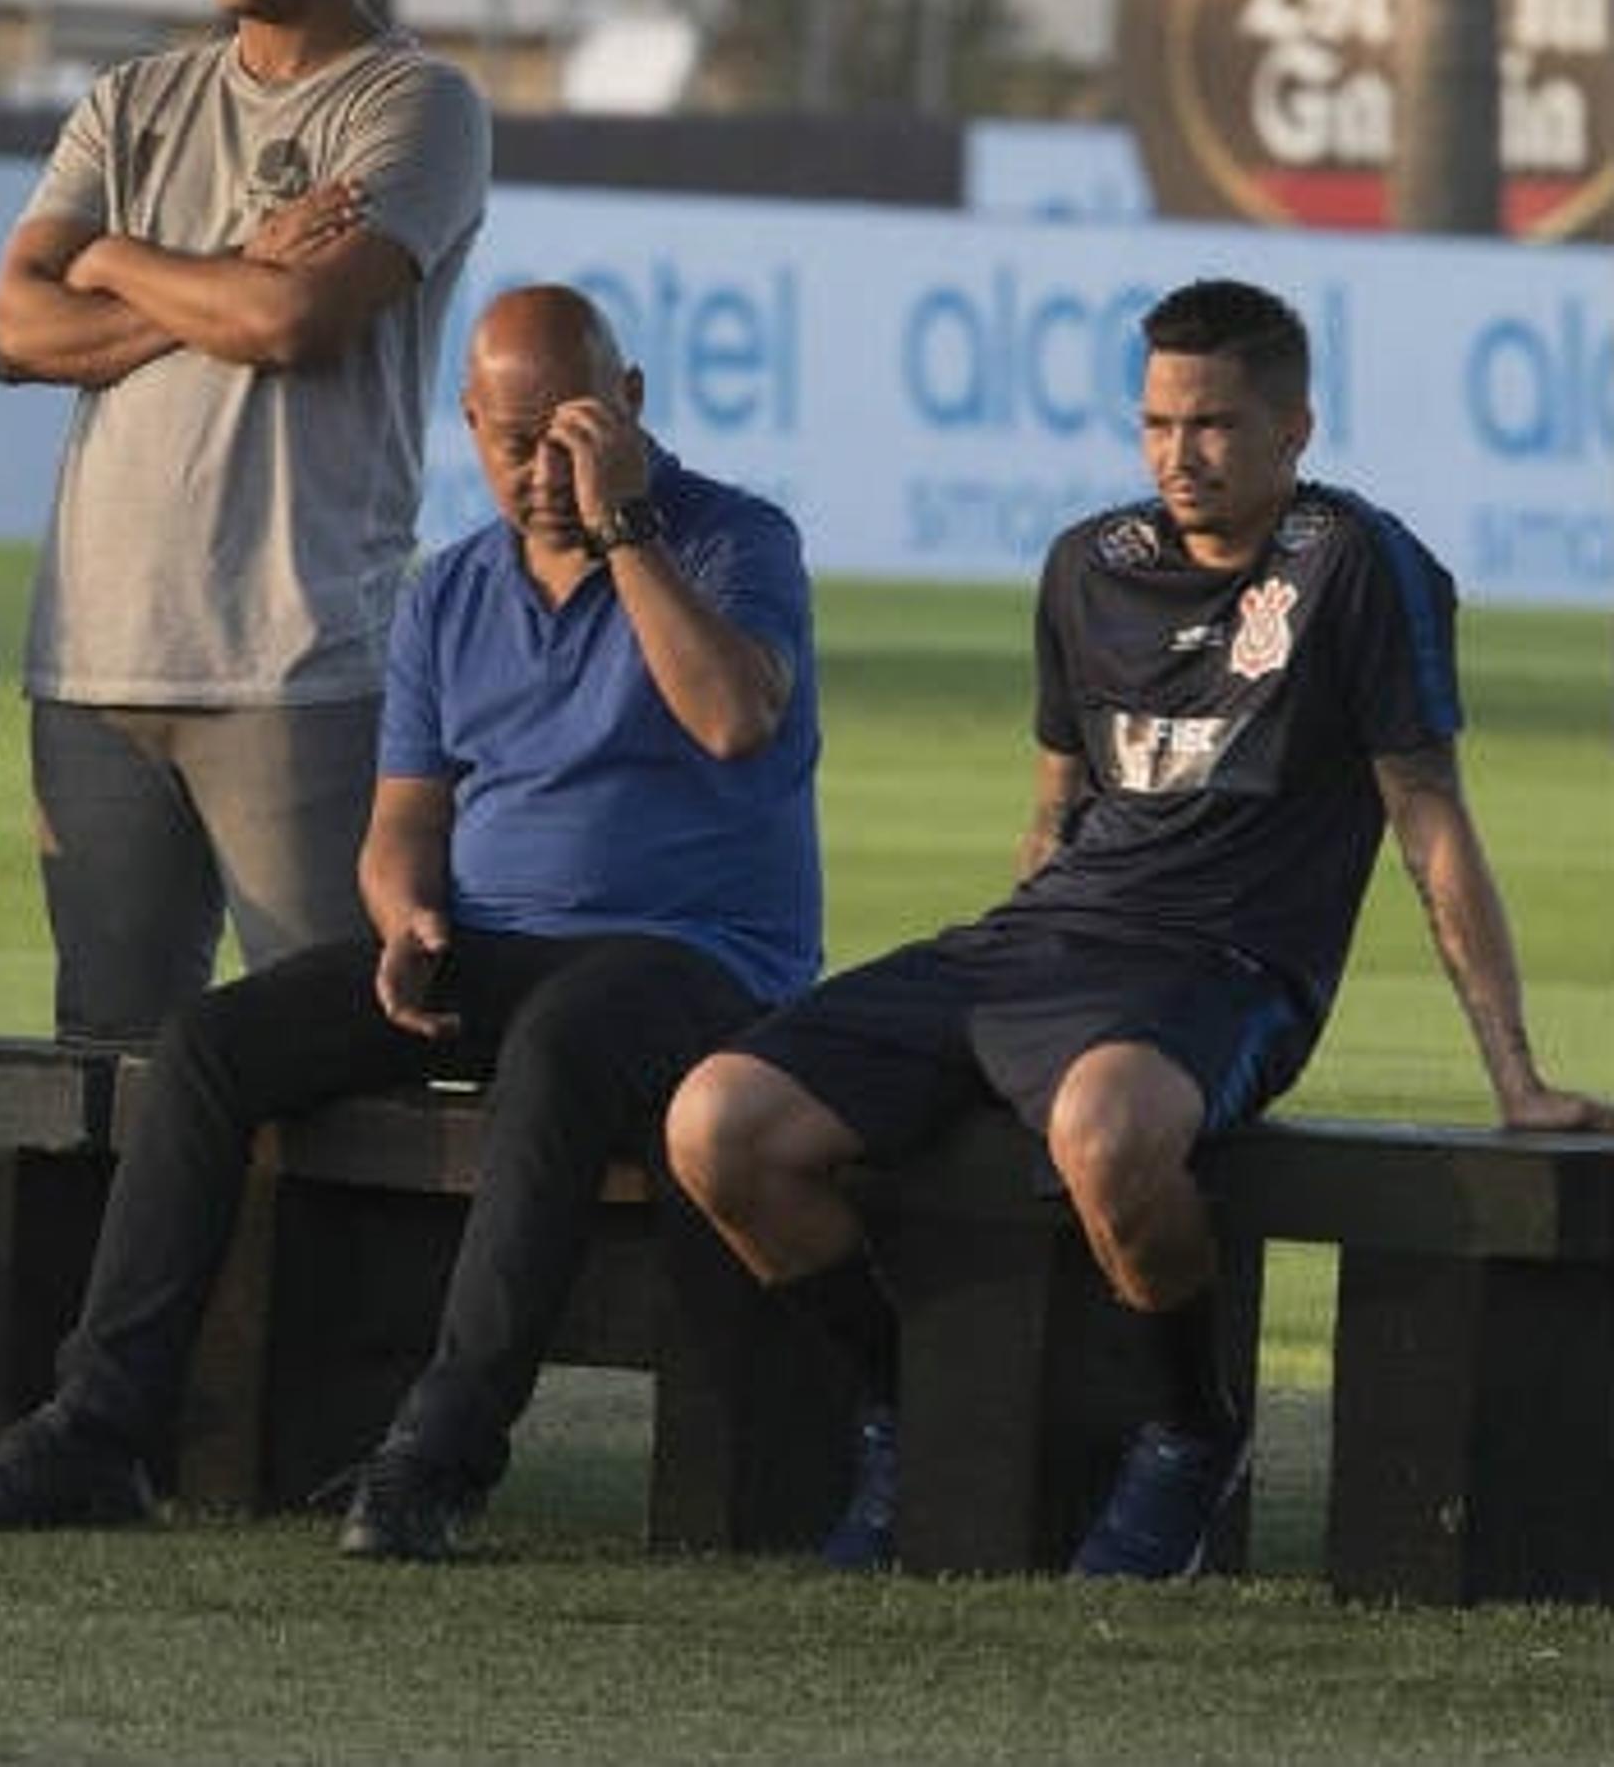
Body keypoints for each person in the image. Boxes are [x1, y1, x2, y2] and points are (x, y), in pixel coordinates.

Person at [666, 277, 1614, 1582]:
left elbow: (1428, 813)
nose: (1181, 453)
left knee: (1105, 1133)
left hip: (1222, 968)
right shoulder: (1084, 564)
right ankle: (904, 1415)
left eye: (1216, 425)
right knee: (720, 1127)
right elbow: (1057, 805)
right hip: (1037, 947)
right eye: (1159, 422)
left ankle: (1189, 1434)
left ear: (1295, 430)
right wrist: (1002, 981)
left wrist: (1513, 1070)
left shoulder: (1358, 567)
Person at [0, 284, 817, 1551]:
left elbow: (732, 715)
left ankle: (437, 1457)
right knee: (212, 1046)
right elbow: (405, 824)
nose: (539, 471)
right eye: (510, 442)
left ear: (628, 407)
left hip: (697, 957)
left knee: (559, 1045)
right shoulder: (451, 591)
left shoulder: (732, 543)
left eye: (566, 431)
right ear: (468, 426)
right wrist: (402, 921)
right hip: (489, 944)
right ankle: (100, 1427)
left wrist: (627, 533)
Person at [0, 0, 491, 1051]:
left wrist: (111, 260)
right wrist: (226, 269)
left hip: (292, 653)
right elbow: (14, 328)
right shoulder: (135, 101)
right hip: (95, 658)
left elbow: (296, 323)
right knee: (108, 1050)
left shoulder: (414, 103)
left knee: (338, 1045)